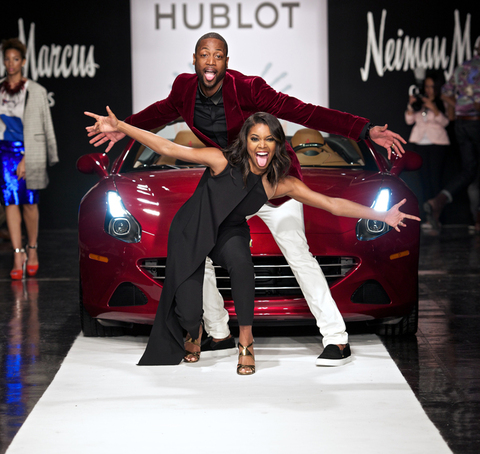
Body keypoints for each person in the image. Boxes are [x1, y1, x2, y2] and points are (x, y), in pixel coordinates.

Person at [87, 32, 407, 367]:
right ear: (194, 59)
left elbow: (305, 113)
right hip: (227, 182)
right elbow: (162, 116)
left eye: (219, 55)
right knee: (198, 251)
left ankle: (336, 338)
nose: (211, 62)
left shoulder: (248, 89)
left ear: (227, 61)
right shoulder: (184, 89)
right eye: (205, 55)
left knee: (296, 251)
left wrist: (363, 129)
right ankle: (219, 332)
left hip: (268, 178)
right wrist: (123, 126)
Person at [0, 38, 58, 279]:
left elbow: (45, 126)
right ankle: (17, 254)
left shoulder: (36, 90)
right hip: (4, 152)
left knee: (30, 202)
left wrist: (36, 155)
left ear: (23, 62)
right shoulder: (0, 88)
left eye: (16, 59)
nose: (11, 63)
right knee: (10, 202)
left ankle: (32, 249)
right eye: (7, 59)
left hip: (29, 150)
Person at [425, 42, 480, 232]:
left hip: (462, 123)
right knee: (471, 172)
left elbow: (446, 92)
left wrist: (456, 109)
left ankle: (438, 201)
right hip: (476, 120)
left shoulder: (464, 66)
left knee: (469, 171)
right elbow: (478, 100)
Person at [405, 73, 449, 232]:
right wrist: (411, 105)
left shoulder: (441, 101)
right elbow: (409, 120)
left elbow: (446, 122)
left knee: (435, 179)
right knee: (423, 180)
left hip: (438, 143)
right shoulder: (419, 101)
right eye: (427, 86)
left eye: (432, 86)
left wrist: (435, 109)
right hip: (420, 143)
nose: (429, 89)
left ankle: (437, 218)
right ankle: (426, 217)